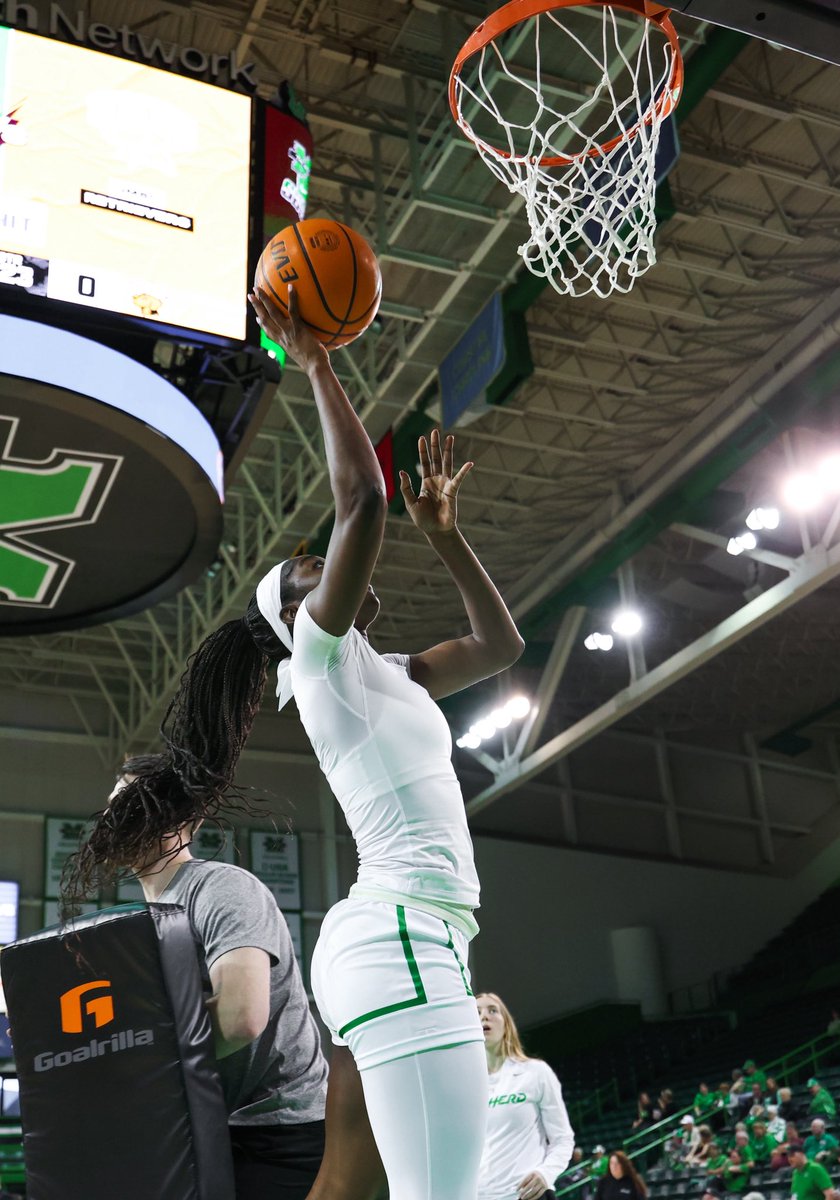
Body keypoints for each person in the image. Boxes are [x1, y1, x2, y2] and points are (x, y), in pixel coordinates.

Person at [149, 285, 525, 1200]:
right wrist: (315, 363)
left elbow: (501, 647)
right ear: (295, 615)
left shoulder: (387, 669)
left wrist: (449, 538)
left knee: (348, 1188)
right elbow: (360, 500)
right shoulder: (319, 665)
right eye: (310, 571)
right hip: (399, 934)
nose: (330, 563)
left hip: (399, 936)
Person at [60, 757, 365, 1200]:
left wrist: (139, 1064)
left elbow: (241, 1017)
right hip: (205, 1127)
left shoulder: (220, 888)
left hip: (275, 1130)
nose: (114, 817)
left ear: (184, 818)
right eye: (111, 807)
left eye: (130, 802)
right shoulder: (137, 923)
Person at [476, 992, 575, 1200]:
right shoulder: (468, 1089)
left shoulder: (536, 1073)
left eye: (492, 1010)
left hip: (528, 1196)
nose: (484, 1016)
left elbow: (563, 1139)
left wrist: (545, 1174)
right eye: (476, 1013)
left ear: (507, 1024)